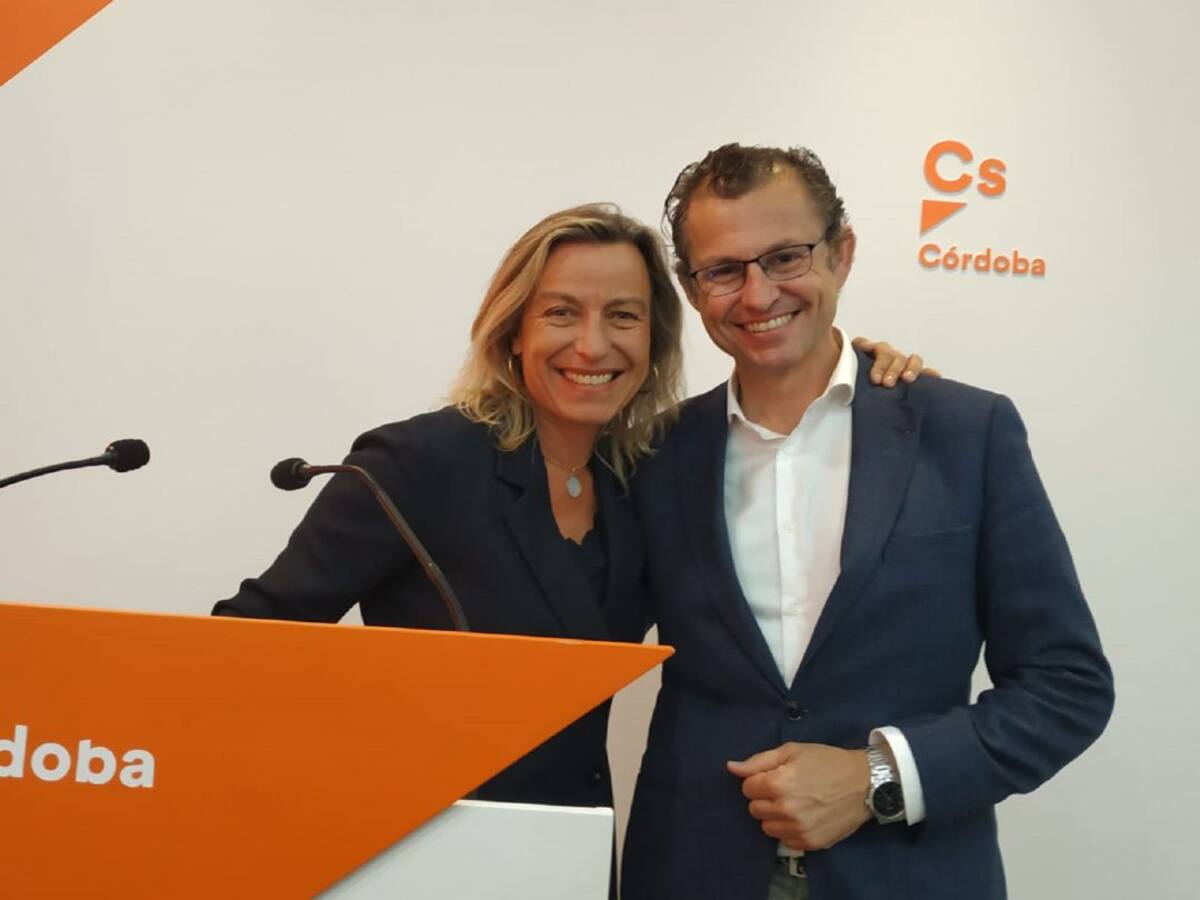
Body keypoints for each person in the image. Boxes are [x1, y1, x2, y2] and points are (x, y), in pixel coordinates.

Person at [212, 202, 927, 811]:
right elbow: (241, 651)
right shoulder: (417, 463)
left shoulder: (646, 475)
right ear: (513, 330)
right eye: (561, 312)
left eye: (623, 316)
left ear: (653, 339)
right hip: (417, 845)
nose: (593, 344)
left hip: (573, 850)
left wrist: (864, 377)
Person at [620, 145, 1114, 900]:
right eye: (723, 270)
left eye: (785, 257)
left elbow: (1066, 685)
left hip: (910, 875)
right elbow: (571, 630)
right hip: (692, 872)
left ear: (841, 254)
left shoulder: (964, 432)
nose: (758, 294)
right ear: (692, 288)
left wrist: (879, 775)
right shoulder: (652, 454)